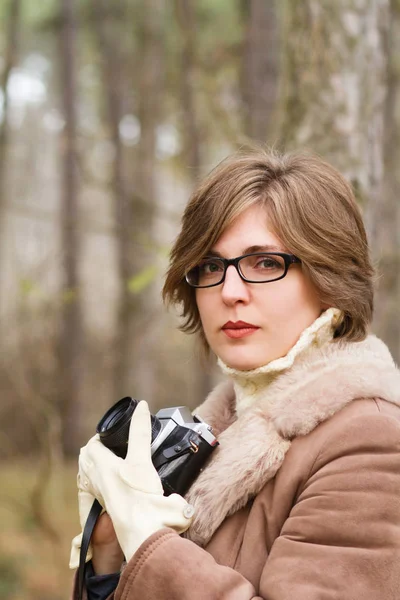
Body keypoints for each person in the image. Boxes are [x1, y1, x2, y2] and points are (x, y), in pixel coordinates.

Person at [70, 147, 400, 600]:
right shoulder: (216, 430)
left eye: (265, 262)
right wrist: (110, 555)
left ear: (330, 276)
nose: (229, 291)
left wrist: (150, 546)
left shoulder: (371, 441)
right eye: (210, 266)